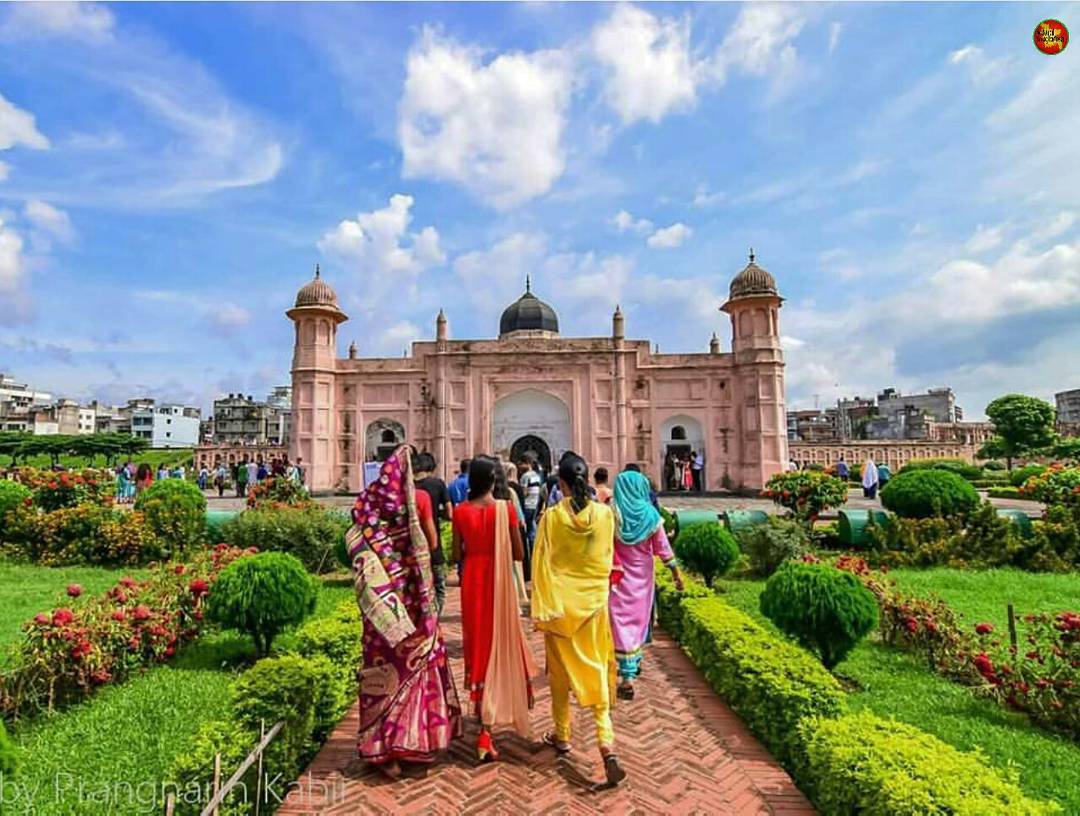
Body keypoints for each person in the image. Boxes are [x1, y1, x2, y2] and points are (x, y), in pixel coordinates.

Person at [345, 446, 463, 778]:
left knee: (382, 671)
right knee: (414, 668)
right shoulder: (418, 501)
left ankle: (381, 748)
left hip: (381, 609)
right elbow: (432, 543)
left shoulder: (366, 510)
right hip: (414, 601)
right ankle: (412, 740)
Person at [531, 453, 626, 787]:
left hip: (561, 608)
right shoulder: (604, 515)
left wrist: (540, 608)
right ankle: (605, 740)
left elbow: (539, 562)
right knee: (597, 669)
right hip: (594, 606)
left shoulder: (552, 517)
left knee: (559, 675)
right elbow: (608, 555)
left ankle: (563, 735)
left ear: (561, 484)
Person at [452, 456, 538, 760]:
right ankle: (488, 728)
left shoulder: (460, 511)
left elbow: (454, 554)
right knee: (500, 640)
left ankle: (481, 709)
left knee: (478, 643)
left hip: (473, 580)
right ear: (495, 479)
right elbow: (518, 552)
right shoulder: (506, 509)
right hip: (499, 582)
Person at [609, 470, 683, 700]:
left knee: (618, 621)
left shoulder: (611, 514)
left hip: (616, 576)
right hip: (641, 576)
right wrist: (676, 574)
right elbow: (663, 549)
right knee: (637, 621)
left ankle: (624, 669)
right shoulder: (650, 515)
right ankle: (630, 670)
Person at [414, 451, 452, 615]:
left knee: (415, 586)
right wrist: (438, 513)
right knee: (438, 585)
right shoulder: (438, 484)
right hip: (431, 540)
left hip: (410, 544)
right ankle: (435, 618)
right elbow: (450, 513)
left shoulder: (407, 486)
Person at [519, 461, 543, 551]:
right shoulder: (537, 476)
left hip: (527, 505)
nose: (520, 466)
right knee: (532, 528)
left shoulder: (525, 476)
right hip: (534, 504)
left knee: (524, 529)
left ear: (527, 463)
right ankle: (534, 550)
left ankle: (525, 550)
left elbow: (524, 493)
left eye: (521, 463)